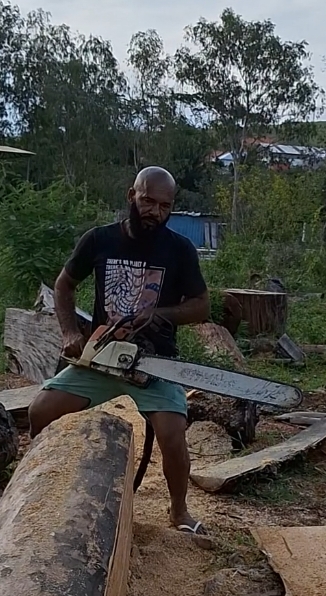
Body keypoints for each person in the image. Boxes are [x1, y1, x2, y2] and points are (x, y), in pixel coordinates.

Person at [29, 166, 211, 533]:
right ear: (132, 196)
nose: (155, 212)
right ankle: (37, 490)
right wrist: (69, 332)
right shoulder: (99, 240)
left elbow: (201, 306)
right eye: (148, 201)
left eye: (164, 205)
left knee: (173, 436)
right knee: (40, 411)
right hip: (102, 354)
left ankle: (178, 511)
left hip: (155, 361)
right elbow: (63, 286)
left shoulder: (179, 249)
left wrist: (159, 313)